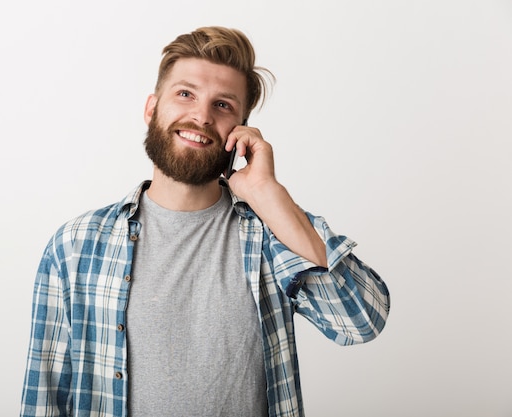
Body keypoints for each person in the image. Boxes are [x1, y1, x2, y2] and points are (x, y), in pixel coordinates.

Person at [20, 26, 390, 417]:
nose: (201, 116)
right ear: (151, 108)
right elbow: (46, 396)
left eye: (223, 105)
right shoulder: (76, 244)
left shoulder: (272, 234)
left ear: (241, 131)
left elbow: (361, 322)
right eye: (185, 94)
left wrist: (269, 194)